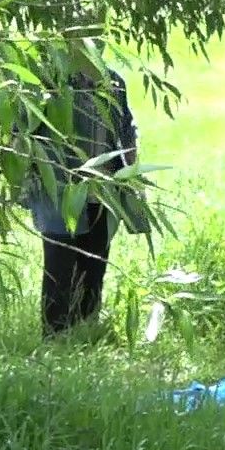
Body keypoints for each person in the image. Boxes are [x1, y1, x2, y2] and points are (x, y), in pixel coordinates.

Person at [25, 65, 144, 339]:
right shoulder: (48, 78)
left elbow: (125, 129)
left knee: (95, 261)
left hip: (101, 188)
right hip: (58, 188)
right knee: (59, 265)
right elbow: (24, 132)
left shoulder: (112, 80)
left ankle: (87, 330)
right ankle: (55, 336)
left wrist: (130, 176)